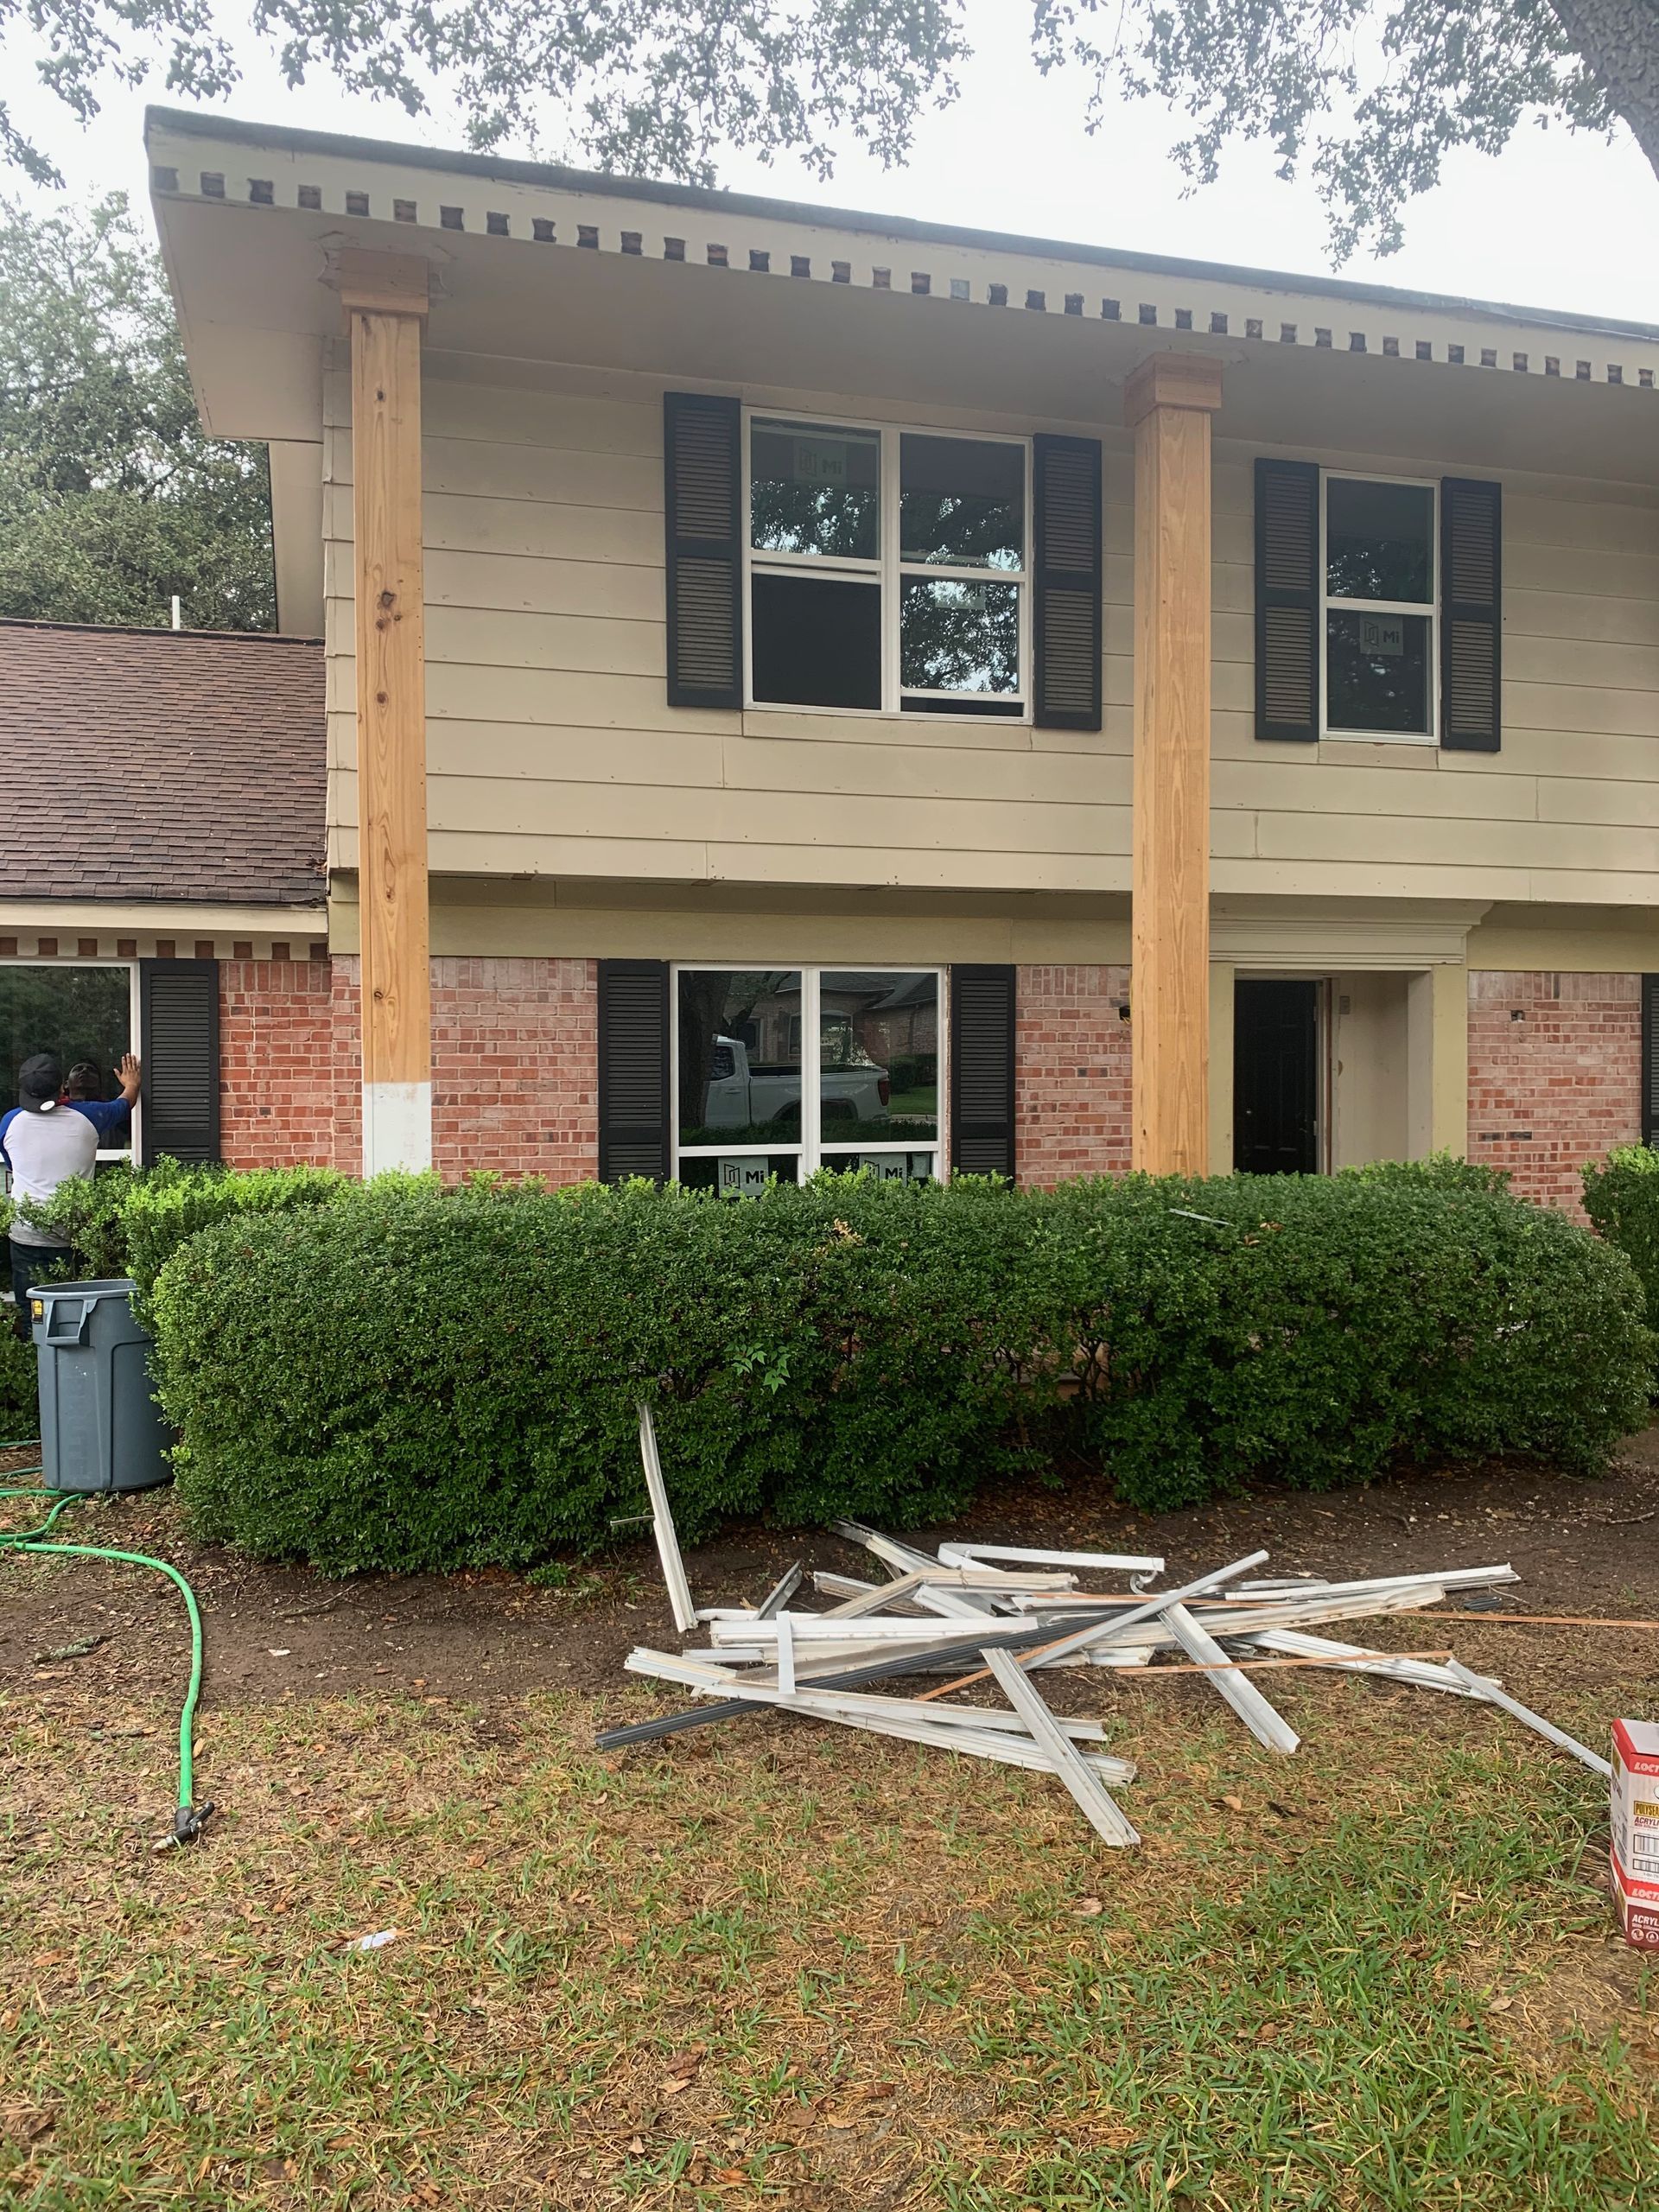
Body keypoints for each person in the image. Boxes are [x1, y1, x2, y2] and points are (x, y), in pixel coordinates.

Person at [2, 1053, 100, 1339]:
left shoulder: (10, 1122)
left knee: (32, 1309)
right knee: (77, 1311)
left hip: (25, 1234)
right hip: (74, 1235)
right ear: (62, 1086)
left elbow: (12, 1163)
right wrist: (131, 1086)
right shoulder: (91, 1116)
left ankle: (36, 1355)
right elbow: (125, 1103)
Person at [64, 1053, 142, 1143]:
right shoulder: (59, 1109)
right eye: (78, 1069)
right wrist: (131, 1085)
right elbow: (126, 1102)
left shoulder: (109, 1112)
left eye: (91, 1070)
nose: (84, 1071)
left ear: (100, 1083)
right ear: (66, 1084)